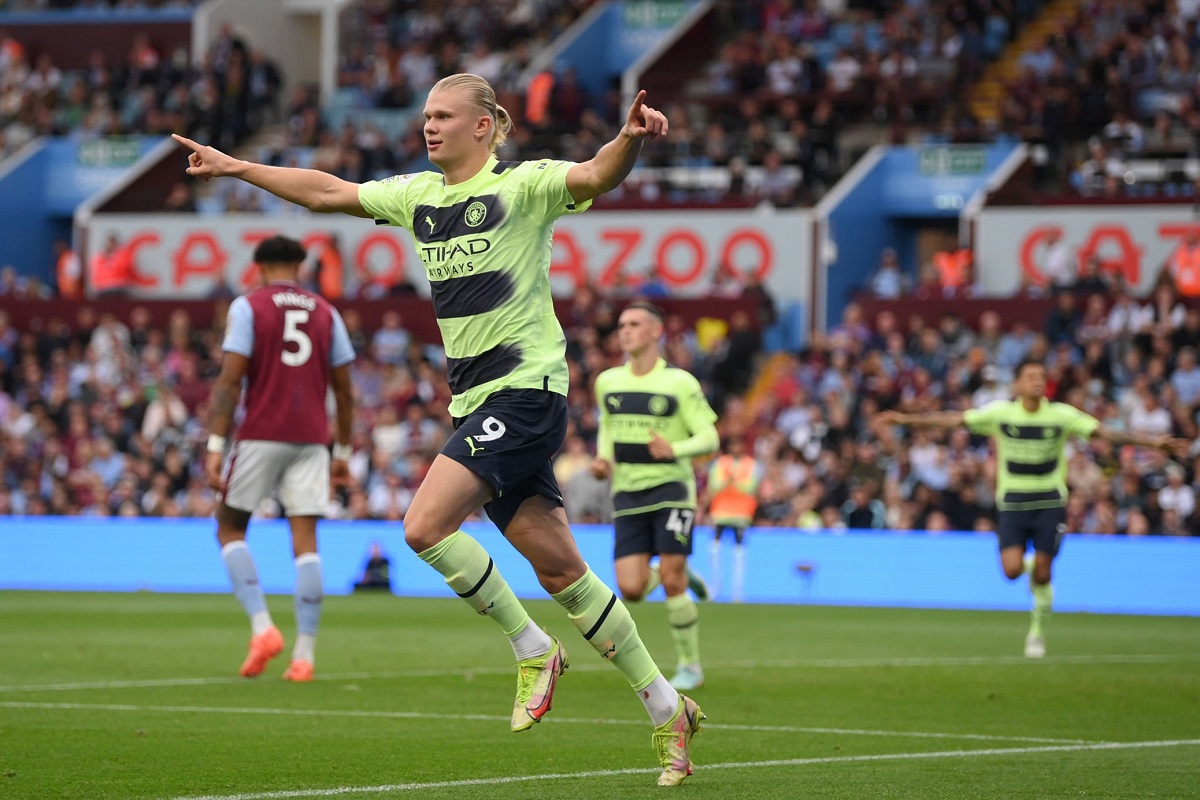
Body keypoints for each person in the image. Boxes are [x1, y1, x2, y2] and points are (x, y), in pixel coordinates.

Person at [173, 74, 703, 785]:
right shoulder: (418, 196)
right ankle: (668, 708)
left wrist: (628, 140)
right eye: (425, 115)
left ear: (483, 126)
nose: (429, 126)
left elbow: (596, 173)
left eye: (444, 116)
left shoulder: (523, 187)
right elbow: (326, 191)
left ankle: (532, 647)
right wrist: (238, 166)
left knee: (423, 527)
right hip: (475, 403)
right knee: (563, 573)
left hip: (525, 393)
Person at [876, 358, 1188, 658]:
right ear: (1018, 384)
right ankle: (1035, 566)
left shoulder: (1060, 415)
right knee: (1011, 571)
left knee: (1043, 573)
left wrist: (1152, 444)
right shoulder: (1001, 414)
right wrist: (906, 421)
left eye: (1041, 377)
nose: (1037, 382)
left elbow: (1105, 433)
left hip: (1049, 502)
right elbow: (954, 419)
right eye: (1030, 377)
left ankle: (1037, 631)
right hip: (1013, 503)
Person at [205, 235, 355, 682]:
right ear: (300, 267)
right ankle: (304, 656)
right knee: (306, 541)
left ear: (259, 268)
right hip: (311, 439)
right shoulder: (326, 312)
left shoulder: (248, 307)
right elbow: (345, 390)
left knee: (230, 527)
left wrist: (215, 445)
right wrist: (342, 452)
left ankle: (262, 628)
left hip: (261, 434)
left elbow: (230, 381)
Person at [589, 302, 719, 692]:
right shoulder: (608, 381)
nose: (625, 331)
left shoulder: (680, 383)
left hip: (672, 490)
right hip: (627, 492)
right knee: (631, 588)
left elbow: (710, 438)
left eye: (634, 324)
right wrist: (603, 459)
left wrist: (674, 449)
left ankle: (690, 666)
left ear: (656, 332)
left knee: (673, 579)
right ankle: (673, 569)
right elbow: (608, 427)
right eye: (621, 325)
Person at [705, 434, 763, 603]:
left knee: (739, 552)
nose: (736, 448)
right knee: (715, 550)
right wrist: (731, 482)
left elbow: (751, 487)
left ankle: (737, 591)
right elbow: (713, 486)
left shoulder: (751, 464)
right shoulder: (720, 463)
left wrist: (731, 481)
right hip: (720, 513)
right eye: (733, 445)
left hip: (741, 514)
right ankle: (716, 587)